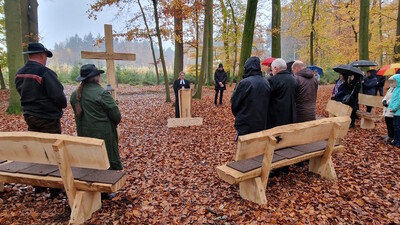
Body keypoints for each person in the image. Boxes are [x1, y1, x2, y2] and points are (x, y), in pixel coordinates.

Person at [15, 42, 67, 198]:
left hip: (30, 117)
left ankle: (39, 185)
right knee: (53, 152)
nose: (46, 59)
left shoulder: (19, 73)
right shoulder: (45, 73)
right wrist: (60, 105)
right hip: (48, 118)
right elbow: (58, 96)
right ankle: (55, 189)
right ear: (42, 55)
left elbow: (20, 91)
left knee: (37, 150)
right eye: (45, 56)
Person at [70, 64, 123, 200]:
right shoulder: (102, 94)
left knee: (89, 161)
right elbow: (116, 115)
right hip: (103, 136)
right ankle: (104, 191)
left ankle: (93, 188)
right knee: (105, 161)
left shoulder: (75, 95)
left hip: (84, 135)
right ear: (96, 78)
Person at [231, 57, 270, 138]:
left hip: (245, 123)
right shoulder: (266, 82)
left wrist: (240, 116)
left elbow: (235, 103)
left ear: (247, 66)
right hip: (261, 122)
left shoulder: (245, 82)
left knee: (245, 147)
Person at [268, 58, 297, 128]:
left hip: (276, 117)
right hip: (291, 115)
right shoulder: (293, 79)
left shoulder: (272, 80)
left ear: (275, 68)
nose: (272, 72)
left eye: (271, 69)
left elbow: (268, 97)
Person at [382, 76, 395, 144]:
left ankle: (392, 136)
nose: (391, 83)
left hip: (392, 108)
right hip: (387, 108)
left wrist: (387, 102)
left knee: (391, 122)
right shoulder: (391, 89)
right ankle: (389, 134)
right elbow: (386, 96)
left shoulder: (397, 89)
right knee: (387, 121)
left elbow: (394, 98)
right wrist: (384, 101)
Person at [388, 74, 400, 147]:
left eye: (395, 81)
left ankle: (399, 141)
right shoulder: (396, 89)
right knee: (395, 127)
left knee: (398, 127)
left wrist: (393, 108)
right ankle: (395, 140)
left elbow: (398, 102)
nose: (394, 83)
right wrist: (390, 107)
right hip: (395, 112)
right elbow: (392, 100)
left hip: (398, 112)